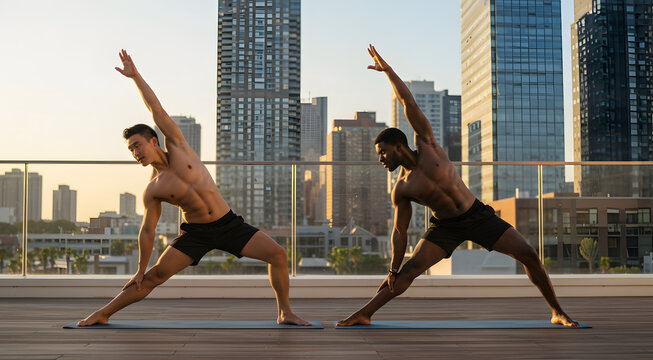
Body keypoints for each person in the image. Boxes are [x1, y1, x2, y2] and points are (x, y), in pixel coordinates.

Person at [337, 45, 578, 327]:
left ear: (398, 146)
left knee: (528, 254)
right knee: (410, 269)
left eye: (383, 152)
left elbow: (408, 104)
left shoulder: (427, 145)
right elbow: (399, 231)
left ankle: (557, 312)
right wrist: (392, 267)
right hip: (445, 228)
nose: (380, 159)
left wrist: (388, 71)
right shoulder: (401, 188)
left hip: (478, 215)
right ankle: (364, 313)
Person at [77, 50, 310, 327]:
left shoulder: (178, 146)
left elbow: (156, 110)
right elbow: (148, 230)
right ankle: (103, 313)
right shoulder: (153, 189)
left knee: (278, 255)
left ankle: (285, 313)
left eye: (137, 145)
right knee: (153, 277)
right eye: (130, 150)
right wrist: (140, 268)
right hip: (197, 233)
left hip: (228, 224)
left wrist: (136, 77)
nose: (134, 153)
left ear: (154, 141)